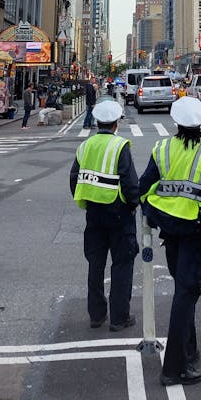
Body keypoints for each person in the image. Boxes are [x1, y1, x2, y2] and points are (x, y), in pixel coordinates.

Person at [139, 95, 201, 387]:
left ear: (176, 121)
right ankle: (175, 368)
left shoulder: (162, 147)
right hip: (196, 233)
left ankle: (190, 354)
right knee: (186, 295)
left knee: (185, 291)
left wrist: (152, 213)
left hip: (171, 233)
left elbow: (143, 188)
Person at [70, 99, 139, 331]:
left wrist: (88, 199)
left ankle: (96, 315)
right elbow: (130, 184)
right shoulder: (120, 146)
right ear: (116, 124)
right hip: (119, 214)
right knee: (121, 264)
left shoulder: (85, 146)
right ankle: (119, 318)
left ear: (98, 122)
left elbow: (74, 179)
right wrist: (133, 205)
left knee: (95, 264)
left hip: (94, 214)